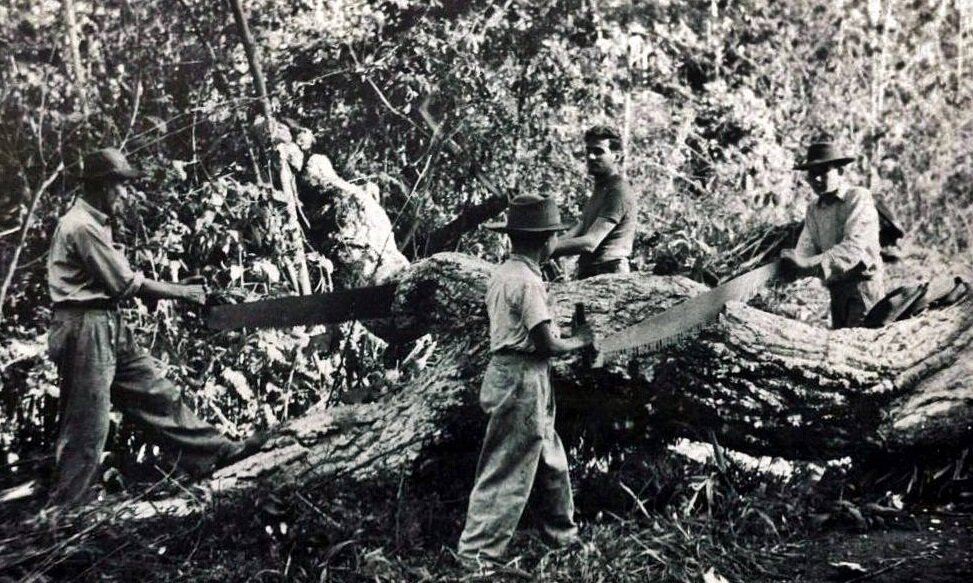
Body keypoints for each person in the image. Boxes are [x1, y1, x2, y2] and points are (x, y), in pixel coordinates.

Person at [45, 147, 265, 507]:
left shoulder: (96, 223)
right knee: (88, 425)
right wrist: (184, 292)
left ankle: (217, 452)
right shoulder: (81, 225)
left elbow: (115, 285)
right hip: (84, 326)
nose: (126, 195)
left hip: (105, 321)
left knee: (155, 392)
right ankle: (68, 514)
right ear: (102, 186)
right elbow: (124, 284)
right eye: (121, 187)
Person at [457, 194, 596, 569]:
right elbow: (546, 343)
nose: (556, 242)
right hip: (522, 377)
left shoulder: (504, 273)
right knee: (506, 466)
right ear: (546, 240)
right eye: (554, 235)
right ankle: (477, 556)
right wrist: (580, 341)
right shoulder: (528, 283)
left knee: (550, 457)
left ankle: (562, 537)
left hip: (518, 375)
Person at [780, 142, 885, 329]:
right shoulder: (814, 209)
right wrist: (791, 267)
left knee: (859, 349)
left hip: (862, 290)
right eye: (812, 174)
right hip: (836, 292)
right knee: (838, 349)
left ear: (840, 172)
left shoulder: (858, 198)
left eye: (823, 172)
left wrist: (806, 264)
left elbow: (852, 249)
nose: (817, 179)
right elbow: (806, 249)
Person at [550, 125, 637, 279]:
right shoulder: (600, 188)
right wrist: (541, 245)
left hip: (610, 273)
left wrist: (546, 250)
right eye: (588, 151)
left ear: (616, 157)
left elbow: (590, 242)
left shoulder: (617, 191)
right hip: (592, 271)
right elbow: (579, 230)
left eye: (598, 151)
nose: (590, 157)